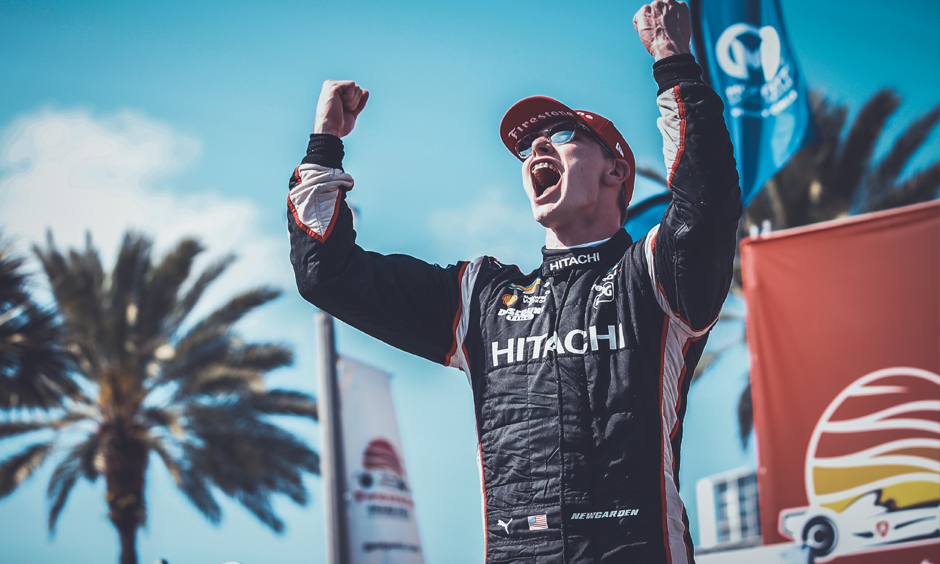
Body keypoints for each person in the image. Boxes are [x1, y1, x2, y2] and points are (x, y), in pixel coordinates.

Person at [287, 1, 741, 562]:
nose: (537, 151)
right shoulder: (482, 298)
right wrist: (324, 141)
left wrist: (674, 61)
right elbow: (326, 275)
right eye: (527, 147)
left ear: (616, 171)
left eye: (565, 134)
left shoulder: (656, 275)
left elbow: (708, 199)